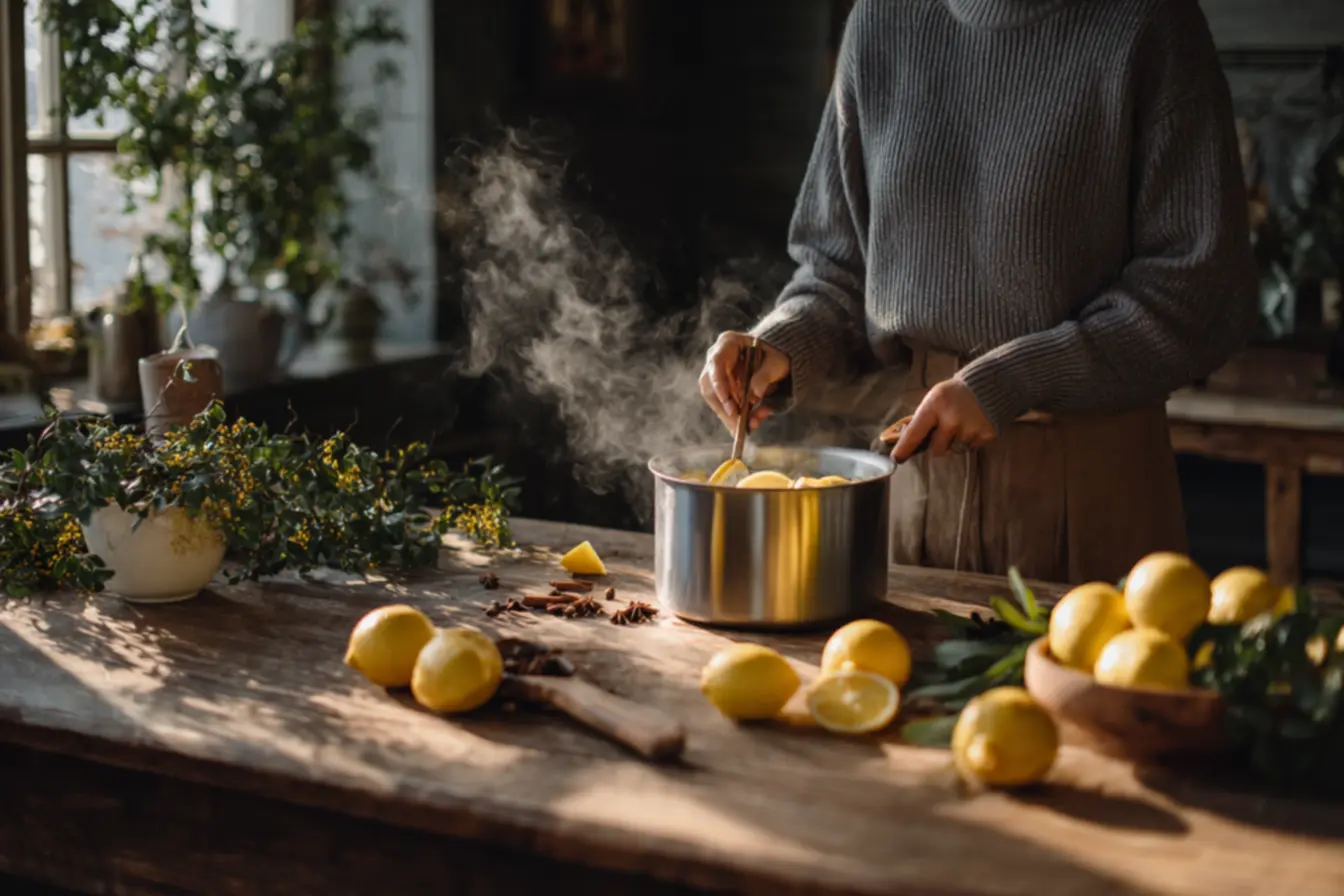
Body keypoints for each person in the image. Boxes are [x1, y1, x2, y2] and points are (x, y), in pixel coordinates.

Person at [698, 0, 1258, 585]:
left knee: (1080, 677)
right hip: (913, 485)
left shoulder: (1149, 22)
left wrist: (1014, 379)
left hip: (1090, 481)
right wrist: (780, 343)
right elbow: (837, 272)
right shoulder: (881, 20)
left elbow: (1200, 291)